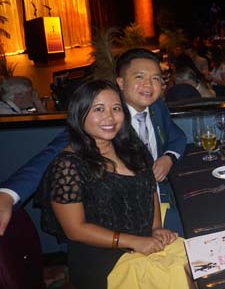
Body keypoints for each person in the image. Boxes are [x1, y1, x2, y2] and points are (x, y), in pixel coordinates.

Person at [33, 80, 200, 289]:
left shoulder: (132, 148)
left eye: (116, 108)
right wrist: (133, 241)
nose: (110, 117)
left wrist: (156, 228)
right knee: (174, 277)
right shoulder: (68, 165)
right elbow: (75, 230)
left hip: (145, 240)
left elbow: (149, 188)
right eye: (98, 109)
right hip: (100, 259)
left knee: (197, 262)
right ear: (79, 113)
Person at [0, 48, 187, 236]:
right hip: (121, 221)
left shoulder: (157, 107)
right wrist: (9, 194)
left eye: (156, 78)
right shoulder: (105, 121)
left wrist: (169, 157)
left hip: (160, 201)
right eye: (139, 77)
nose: (148, 85)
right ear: (120, 82)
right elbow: (51, 157)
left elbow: (177, 136)